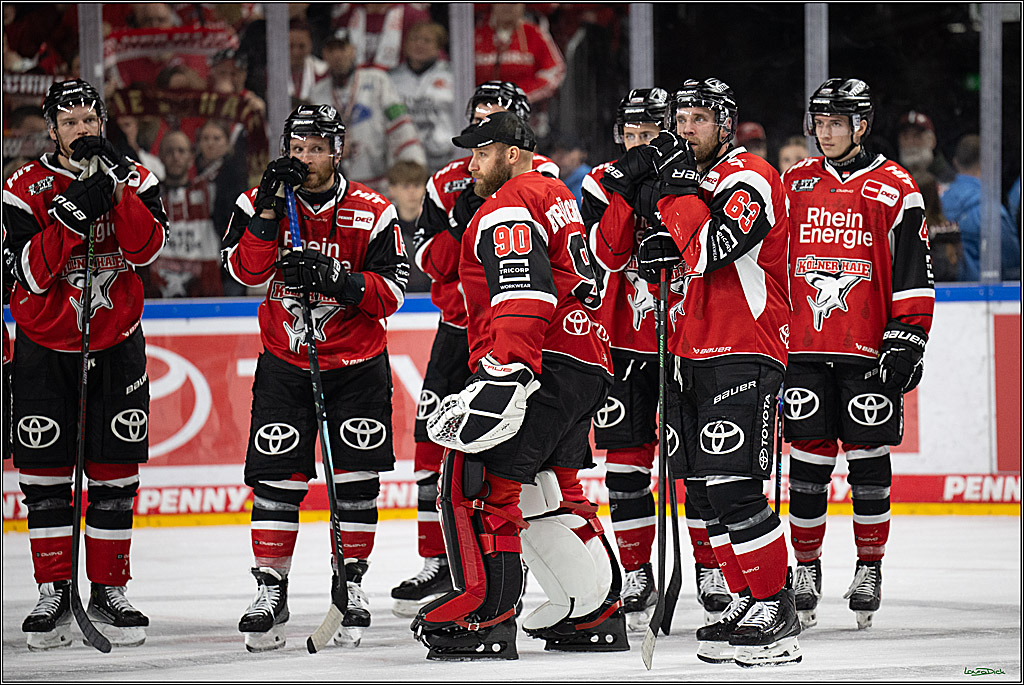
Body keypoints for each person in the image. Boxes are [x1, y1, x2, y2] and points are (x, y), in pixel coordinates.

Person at [411, 110, 625, 660]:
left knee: (476, 486)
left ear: (511, 153)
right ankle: (593, 612)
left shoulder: (507, 204)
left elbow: (521, 292)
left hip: (539, 362)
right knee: (554, 493)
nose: (470, 165)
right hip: (584, 360)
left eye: (481, 154)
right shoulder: (556, 194)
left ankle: (484, 615)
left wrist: (504, 374)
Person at [221, 104, 410, 652]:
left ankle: (350, 584)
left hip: (355, 368)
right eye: (298, 148)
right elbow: (243, 271)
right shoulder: (262, 202)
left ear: (337, 151)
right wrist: (264, 216)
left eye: (317, 149)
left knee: (355, 483)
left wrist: (339, 279)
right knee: (277, 482)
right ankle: (270, 589)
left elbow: (392, 294)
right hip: (287, 364)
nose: (306, 159)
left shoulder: (373, 210)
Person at [632, 78, 798, 666]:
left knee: (732, 483)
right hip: (686, 348)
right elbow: (660, 258)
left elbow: (709, 249)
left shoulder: (750, 174)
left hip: (743, 344)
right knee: (703, 490)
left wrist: (672, 193)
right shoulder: (681, 180)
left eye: (700, 118)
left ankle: (777, 610)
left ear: (725, 124)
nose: (686, 128)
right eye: (681, 118)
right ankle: (748, 595)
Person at [2, 78, 168, 650]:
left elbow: (147, 251)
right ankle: (53, 588)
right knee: (46, 478)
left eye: (88, 119)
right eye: (68, 121)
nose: (81, 129)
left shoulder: (137, 175)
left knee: (115, 472)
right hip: (46, 347)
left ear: (102, 123)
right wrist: (71, 218)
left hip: (117, 342)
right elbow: (23, 272)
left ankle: (107, 588)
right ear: (51, 129)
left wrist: (115, 194)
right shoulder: (23, 188)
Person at [390, 80, 559, 619]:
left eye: (496, 120)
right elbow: (429, 261)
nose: (481, 137)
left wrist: (470, 225)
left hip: (518, 329)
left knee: (529, 457)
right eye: (478, 119)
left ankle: (512, 568)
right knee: (431, 442)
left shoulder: (542, 177)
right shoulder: (448, 182)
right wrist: (467, 220)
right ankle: (438, 560)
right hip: (460, 329)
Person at [781, 78, 935, 635]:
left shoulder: (896, 188)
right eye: (819, 124)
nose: (824, 134)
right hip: (803, 348)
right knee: (808, 464)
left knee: (868, 459)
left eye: (835, 124)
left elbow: (915, 271)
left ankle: (869, 567)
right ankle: (805, 569)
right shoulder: (793, 183)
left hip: (867, 350)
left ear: (861, 125)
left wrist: (909, 335)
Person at [584, 87, 731, 633]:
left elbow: (703, 244)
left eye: (651, 133)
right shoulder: (601, 180)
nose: (640, 142)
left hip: (686, 340)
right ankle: (639, 570)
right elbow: (607, 253)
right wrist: (628, 184)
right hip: (623, 343)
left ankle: (711, 569)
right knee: (625, 466)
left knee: (695, 467)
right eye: (631, 133)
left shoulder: (696, 174)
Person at [309, 29, 426, 193]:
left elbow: (401, 125)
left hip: (381, 185)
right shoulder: (317, 93)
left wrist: (413, 165)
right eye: (331, 50)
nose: (337, 55)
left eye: (342, 48)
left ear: (352, 50)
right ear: (324, 55)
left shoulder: (377, 80)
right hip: (338, 188)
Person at [141, 130, 223, 297]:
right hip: (156, 296)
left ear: (191, 157)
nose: (175, 157)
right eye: (169, 151)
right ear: (160, 157)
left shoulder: (210, 191)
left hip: (205, 295)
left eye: (181, 151)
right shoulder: (148, 196)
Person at [940, 134, 1021, 282]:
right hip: (981, 297)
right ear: (988, 163)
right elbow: (1014, 263)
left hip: (944, 295)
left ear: (956, 163)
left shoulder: (939, 204)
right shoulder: (991, 212)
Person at [389, 21, 459, 173]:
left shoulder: (454, 75)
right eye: (414, 39)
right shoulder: (391, 78)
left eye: (427, 40)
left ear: (438, 47)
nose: (419, 44)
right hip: (405, 159)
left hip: (446, 156)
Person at [385, 160, 432, 292]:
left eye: (417, 185)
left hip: (430, 298)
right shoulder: (384, 226)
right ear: (392, 190)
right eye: (406, 186)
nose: (412, 192)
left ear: (425, 188)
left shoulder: (436, 223)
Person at [897, 110, 956, 189]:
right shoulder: (892, 179)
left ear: (932, 141)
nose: (910, 143)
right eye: (905, 137)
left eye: (917, 136)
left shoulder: (951, 181)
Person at [288, 20, 330, 103]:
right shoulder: (271, 74)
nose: (295, 52)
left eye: (302, 46)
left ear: (310, 46)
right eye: (291, 46)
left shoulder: (323, 72)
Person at [549, 133, 590, 207]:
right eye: (556, 151)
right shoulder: (550, 183)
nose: (559, 157)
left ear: (583, 154)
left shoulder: (590, 184)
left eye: (566, 152)